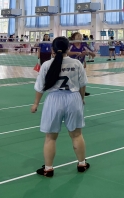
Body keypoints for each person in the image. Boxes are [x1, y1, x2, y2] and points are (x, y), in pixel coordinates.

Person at [31, 36, 89, 177]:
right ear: (68, 48)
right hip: (73, 98)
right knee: (77, 134)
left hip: (54, 100)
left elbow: (40, 87)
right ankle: (82, 164)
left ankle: (48, 169)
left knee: (50, 137)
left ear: (52, 49)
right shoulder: (76, 63)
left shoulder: (46, 65)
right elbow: (82, 85)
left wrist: (36, 103)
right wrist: (81, 98)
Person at [68, 32, 91, 96]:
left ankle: (82, 91)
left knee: (81, 78)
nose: (80, 37)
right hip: (70, 65)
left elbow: (86, 52)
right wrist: (76, 53)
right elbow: (67, 53)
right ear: (73, 38)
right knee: (72, 78)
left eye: (81, 36)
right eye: (78, 36)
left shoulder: (83, 44)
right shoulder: (70, 44)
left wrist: (85, 61)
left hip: (80, 64)